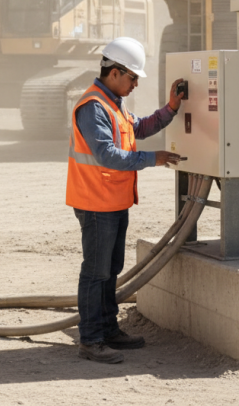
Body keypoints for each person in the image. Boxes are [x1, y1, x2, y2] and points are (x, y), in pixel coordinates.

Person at [66, 36, 184, 364]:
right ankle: (90, 340)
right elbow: (107, 155)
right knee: (96, 271)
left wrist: (171, 108)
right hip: (95, 203)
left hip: (113, 202)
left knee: (110, 269)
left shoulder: (114, 104)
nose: (134, 85)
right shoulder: (93, 107)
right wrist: (153, 159)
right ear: (115, 72)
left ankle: (107, 329)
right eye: (132, 78)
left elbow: (141, 127)